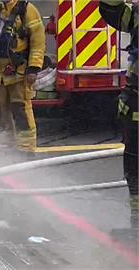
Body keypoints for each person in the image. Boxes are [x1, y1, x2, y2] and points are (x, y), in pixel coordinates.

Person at [0, 0, 45, 154]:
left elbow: (38, 41)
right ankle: (7, 146)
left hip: (17, 72)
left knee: (20, 111)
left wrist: (33, 68)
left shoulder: (27, 10)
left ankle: (25, 149)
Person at [99, 0, 138, 228]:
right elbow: (110, 9)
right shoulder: (135, 14)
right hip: (136, 101)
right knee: (133, 164)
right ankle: (137, 220)